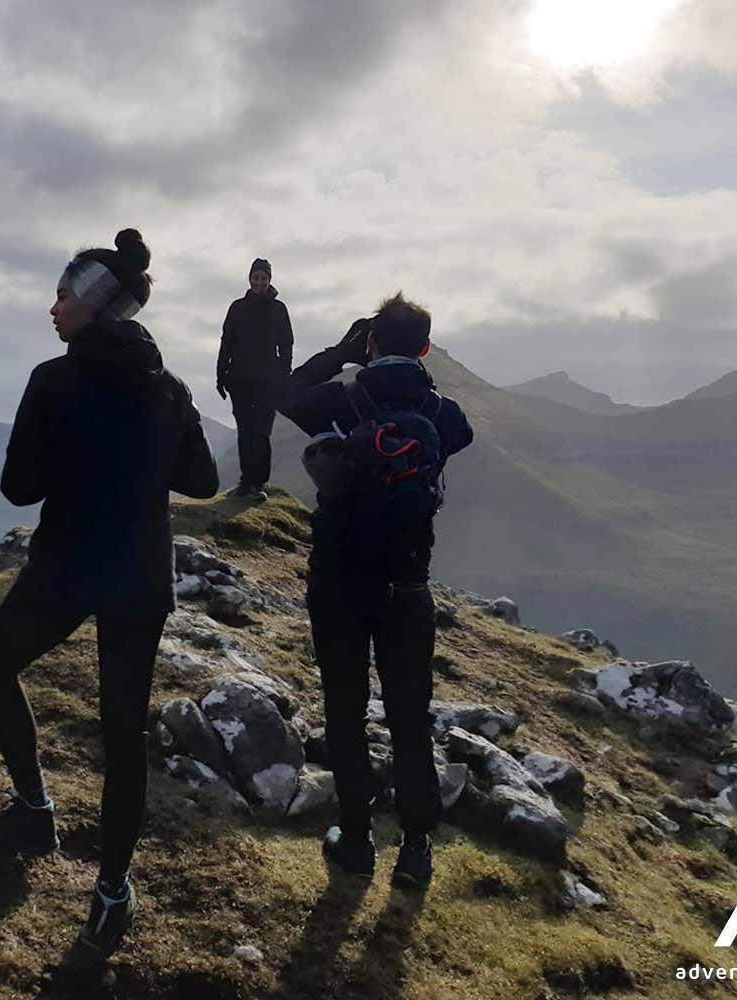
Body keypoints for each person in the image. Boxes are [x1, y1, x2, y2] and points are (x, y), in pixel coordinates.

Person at [0, 229, 219, 957]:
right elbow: (201, 481)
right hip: (139, 578)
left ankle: (34, 811)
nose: (52, 307)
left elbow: (21, 488)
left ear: (93, 306)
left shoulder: (53, 379)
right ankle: (112, 893)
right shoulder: (166, 387)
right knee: (123, 735)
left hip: (65, 568)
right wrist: (177, 410)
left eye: (62, 295)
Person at [276, 293, 474, 887]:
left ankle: (357, 841)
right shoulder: (446, 416)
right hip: (408, 584)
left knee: (346, 708)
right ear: (423, 347)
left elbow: (284, 392)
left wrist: (343, 350)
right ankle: (415, 850)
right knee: (410, 715)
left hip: (339, 578)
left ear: (372, 342)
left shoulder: (342, 401)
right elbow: (456, 441)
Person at [216, 257, 293, 501]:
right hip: (239, 379)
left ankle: (258, 483)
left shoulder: (278, 309)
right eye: (256, 277)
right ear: (250, 278)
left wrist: (283, 375)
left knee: (261, 432)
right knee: (245, 431)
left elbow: (286, 345)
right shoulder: (237, 307)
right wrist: (221, 374)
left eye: (264, 277)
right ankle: (245, 481)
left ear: (269, 280)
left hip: (268, 381)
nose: (259, 281)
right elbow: (226, 341)